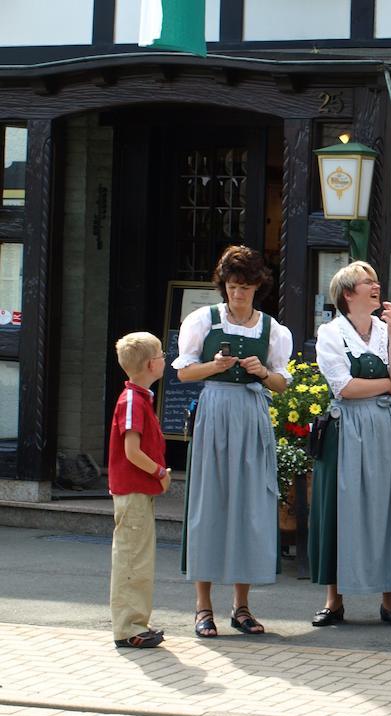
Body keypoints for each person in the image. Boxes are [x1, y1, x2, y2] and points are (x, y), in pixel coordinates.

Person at [173, 245, 293, 638]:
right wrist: (215, 366)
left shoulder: (273, 329)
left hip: (252, 415)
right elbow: (185, 374)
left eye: (243, 286)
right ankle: (202, 606)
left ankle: (242, 606)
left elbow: (281, 385)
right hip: (215, 410)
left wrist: (261, 373)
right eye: (231, 286)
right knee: (210, 503)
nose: (236, 294)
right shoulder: (202, 320)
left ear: (257, 286)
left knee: (250, 504)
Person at [308, 260, 391, 628]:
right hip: (348, 429)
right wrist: (387, 384)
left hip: (388, 428)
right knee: (340, 507)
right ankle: (333, 600)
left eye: (376, 281)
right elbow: (345, 387)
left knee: (390, 507)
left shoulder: (388, 331)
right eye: (367, 282)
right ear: (347, 293)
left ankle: (390, 602)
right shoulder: (331, 333)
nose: (376, 286)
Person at [108, 332, 171, 649]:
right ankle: (129, 627)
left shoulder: (137, 396)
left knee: (137, 557)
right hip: (133, 490)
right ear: (150, 363)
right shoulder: (133, 400)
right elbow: (132, 451)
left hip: (135, 491)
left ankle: (134, 623)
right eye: (161, 353)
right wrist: (159, 472)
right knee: (133, 560)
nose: (164, 358)